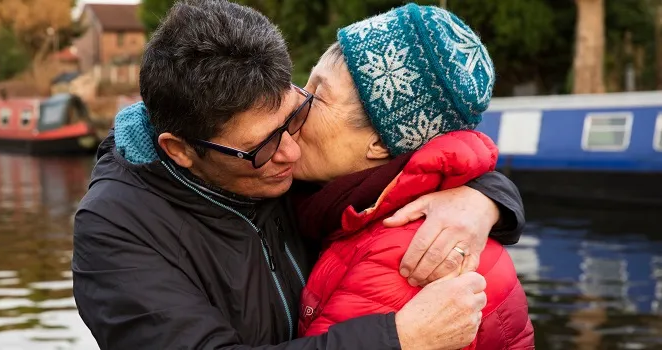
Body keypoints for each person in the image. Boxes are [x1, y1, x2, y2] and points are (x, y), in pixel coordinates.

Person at [71, 1, 525, 349]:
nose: (291, 150)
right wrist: (397, 339)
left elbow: (425, 161)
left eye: (296, 112)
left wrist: (483, 198)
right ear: (180, 149)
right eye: (261, 146)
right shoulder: (116, 230)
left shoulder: (303, 171)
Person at [291, 4, 535, 349]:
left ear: (377, 143)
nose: (293, 104)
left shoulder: (412, 258)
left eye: (317, 95)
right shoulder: (339, 210)